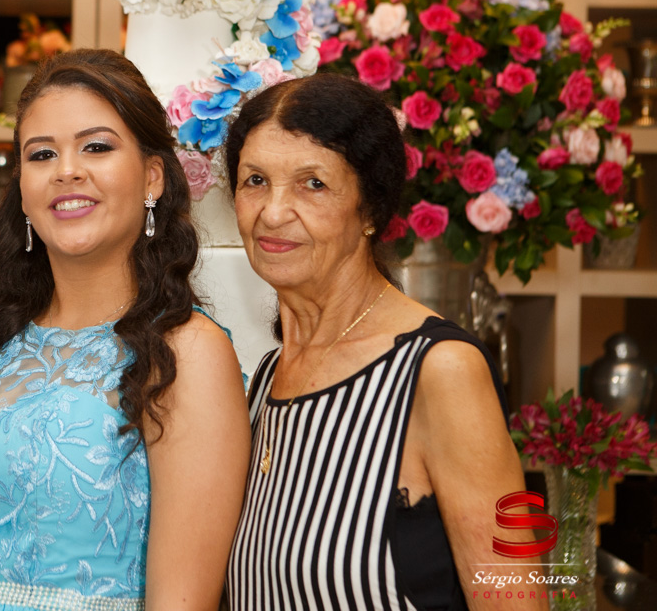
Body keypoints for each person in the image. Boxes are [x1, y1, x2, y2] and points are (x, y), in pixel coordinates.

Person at [0, 49, 250, 611]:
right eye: (42, 154)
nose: (67, 170)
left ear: (153, 177)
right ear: (23, 191)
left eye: (97, 147)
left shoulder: (186, 353)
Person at [222, 73, 545, 611]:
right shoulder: (268, 378)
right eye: (255, 180)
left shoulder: (439, 371)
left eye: (312, 184)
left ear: (371, 208)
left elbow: (514, 601)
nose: (272, 213)